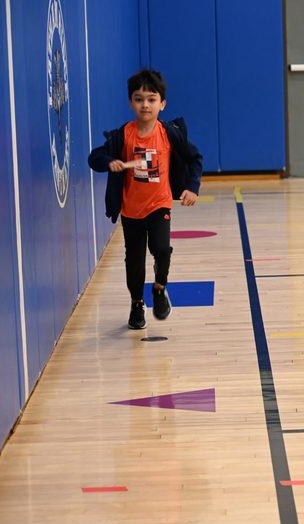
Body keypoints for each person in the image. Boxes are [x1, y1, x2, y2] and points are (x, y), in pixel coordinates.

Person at [88, 69, 202, 329]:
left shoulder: (169, 134)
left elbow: (195, 158)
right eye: (139, 99)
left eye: (151, 99)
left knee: (161, 249)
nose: (145, 104)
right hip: (131, 211)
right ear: (131, 102)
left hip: (159, 204)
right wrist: (110, 162)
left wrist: (192, 187)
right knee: (134, 263)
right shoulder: (123, 135)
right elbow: (94, 157)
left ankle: (160, 288)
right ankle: (137, 303)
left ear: (162, 103)